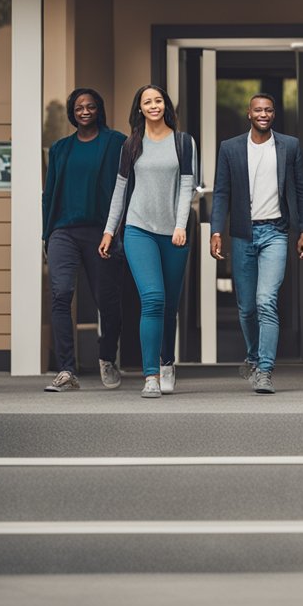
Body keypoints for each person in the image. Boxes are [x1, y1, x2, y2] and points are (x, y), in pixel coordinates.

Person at [209, 93, 303, 395]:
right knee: (246, 308)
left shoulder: (289, 146)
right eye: (258, 110)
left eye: (268, 110)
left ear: (274, 114)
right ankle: (253, 356)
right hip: (243, 234)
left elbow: (302, 191)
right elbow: (221, 193)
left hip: (276, 233)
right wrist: (217, 230)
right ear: (249, 113)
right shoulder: (230, 148)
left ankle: (265, 369)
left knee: (266, 300)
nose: (263, 114)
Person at [99, 85, 196, 399]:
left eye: (158, 100)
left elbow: (187, 187)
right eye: (147, 102)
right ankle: (151, 375)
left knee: (168, 306)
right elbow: (120, 189)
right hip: (138, 227)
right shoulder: (131, 144)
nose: (154, 106)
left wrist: (181, 225)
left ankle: (167, 363)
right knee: (152, 298)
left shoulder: (183, 142)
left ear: (165, 105)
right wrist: (109, 230)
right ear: (139, 108)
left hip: (174, 233)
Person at [41, 88, 126, 392]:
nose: (85, 111)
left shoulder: (115, 142)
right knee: (61, 294)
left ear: (99, 109)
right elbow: (49, 194)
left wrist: (117, 229)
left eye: (91, 106)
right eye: (79, 107)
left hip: (101, 231)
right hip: (63, 231)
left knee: (107, 299)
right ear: (72, 113)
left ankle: (106, 357)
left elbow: (126, 185)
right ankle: (66, 370)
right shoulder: (61, 148)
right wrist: (46, 234)